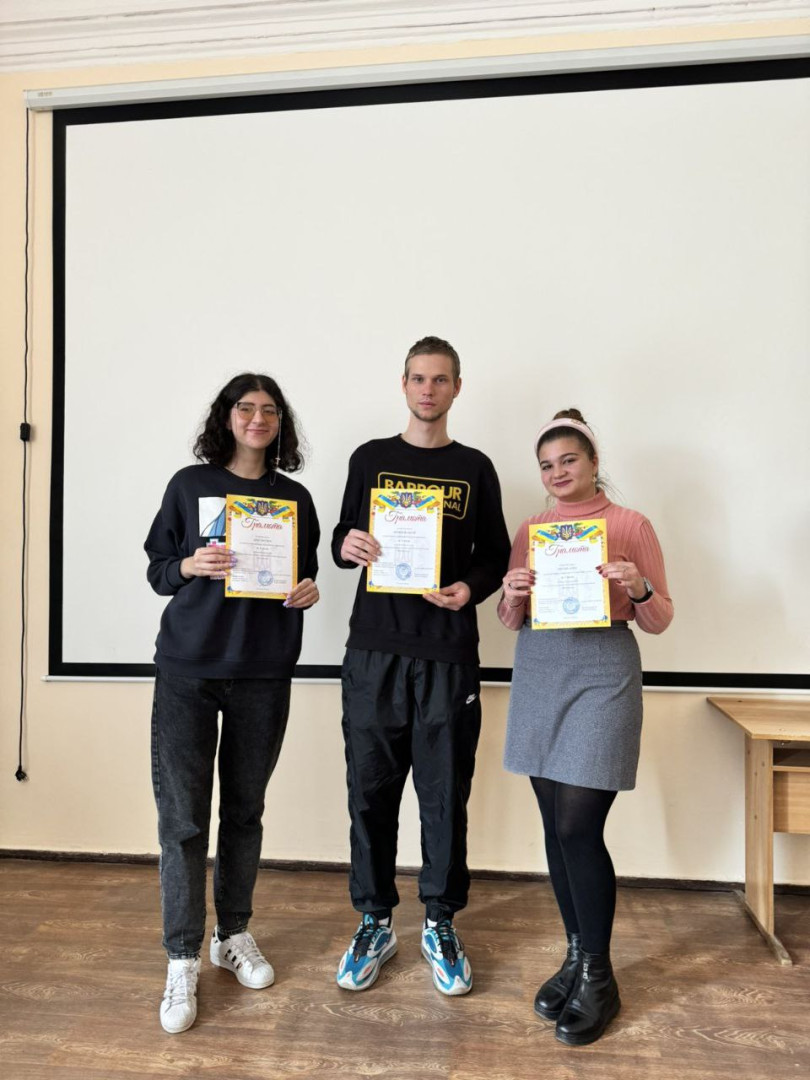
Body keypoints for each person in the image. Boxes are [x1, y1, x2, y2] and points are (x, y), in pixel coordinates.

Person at [332, 336, 510, 995]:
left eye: (439, 379)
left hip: (447, 656)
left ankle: (440, 921)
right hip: (374, 652)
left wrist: (470, 588)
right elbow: (341, 538)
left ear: (457, 387)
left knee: (443, 795)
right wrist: (348, 544)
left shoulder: (475, 468)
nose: (427, 389)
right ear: (403, 384)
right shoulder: (370, 459)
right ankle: (374, 921)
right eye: (417, 378)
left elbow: (495, 556)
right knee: (369, 794)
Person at [145, 373, 320, 1034]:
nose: (257, 418)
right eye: (245, 408)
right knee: (184, 821)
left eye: (269, 410)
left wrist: (307, 590)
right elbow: (158, 569)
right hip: (188, 671)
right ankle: (182, 956)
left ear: (280, 423)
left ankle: (232, 934)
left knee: (244, 812)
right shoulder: (189, 485)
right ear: (226, 417)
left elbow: (303, 575)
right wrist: (187, 566)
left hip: (263, 671)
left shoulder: (295, 498)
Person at [498, 409, 672, 1046]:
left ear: (594, 462)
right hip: (540, 668)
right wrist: (513, 591)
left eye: (568, 460)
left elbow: (660, 619)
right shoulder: (532, 528)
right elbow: (508, 619)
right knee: (554, 826)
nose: (557, 473)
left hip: (603, 670)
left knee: (578, 825)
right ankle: (576, 955)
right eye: (546, 465)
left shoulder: (630, 524)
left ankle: (600, 976)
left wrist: (639, 586)